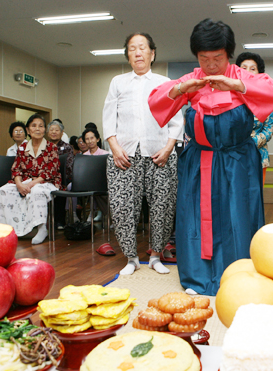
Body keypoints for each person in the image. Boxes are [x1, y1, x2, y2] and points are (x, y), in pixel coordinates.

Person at [148, 18, 273, 294]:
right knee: (195, 217)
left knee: (238, 216)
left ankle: (238, 277)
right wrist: (182, 89)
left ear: (228, 54)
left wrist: (235, 85)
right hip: (200, 162)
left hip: (238, 162)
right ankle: (198, 279)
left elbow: (272, 92)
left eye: (217, 58)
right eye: (203, 58)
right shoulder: (193, 78)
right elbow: (156, 102)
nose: (210, 65)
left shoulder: (241, 76)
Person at [103, 32, 184, 276]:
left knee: (162, 205)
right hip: (124, 154)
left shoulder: (164, 81)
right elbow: (108, 117)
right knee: (123, 206)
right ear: (128, 55)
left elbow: (176, 119)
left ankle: (156, 256)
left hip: (160, 152)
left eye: (142, 48)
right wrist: (115, 147)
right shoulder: (118, 82)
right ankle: (131, 258)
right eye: (132, 49)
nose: (137, 52)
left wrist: (169, 147)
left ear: (152, 53)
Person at [0, 114, 61, 245]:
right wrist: (18, 184)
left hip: (46, 181)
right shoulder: (22, 148)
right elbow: (16, 168)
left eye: (41, 126)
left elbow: (52, 170)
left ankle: (41, 229)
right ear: (28, 130)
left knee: (36, 191)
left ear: (44, 130)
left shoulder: (52, 147)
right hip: (25, 180)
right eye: (34, 126)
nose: (37, 129)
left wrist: (32, 183)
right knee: (4, 190)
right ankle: (4, 229)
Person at [235, 52, 273, 185]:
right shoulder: (229, 97)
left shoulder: (266, 99)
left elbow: (269, 130)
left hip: (257, 155)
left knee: (255, 198)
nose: (248, 72)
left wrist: (250, 144)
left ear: (259, 73)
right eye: (243, 68)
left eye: (253, 68)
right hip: (232, 156)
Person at [47, 119, 74, 230]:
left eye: (56, 130)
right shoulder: (45, 147)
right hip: (46, 178)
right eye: (51, 130)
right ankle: (46, 221)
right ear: (48, 133)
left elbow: (69, 165)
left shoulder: (67, 147)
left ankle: (60, 220)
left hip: (63, 178)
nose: (54, 132)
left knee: (60, 186)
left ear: (62, 133)